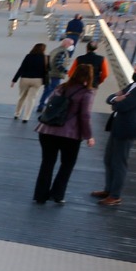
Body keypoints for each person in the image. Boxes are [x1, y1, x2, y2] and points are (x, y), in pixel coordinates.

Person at [94, 59, 136, 206]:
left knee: (119, 163)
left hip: (127, 129)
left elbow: (122, 107)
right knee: (108, 160)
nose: (135, 73)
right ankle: (108, 190)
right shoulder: (135, 85)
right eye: (135, 70)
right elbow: (110, 98)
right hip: (118, 126)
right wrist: (116, 99)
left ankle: (115, 196)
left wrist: (116, 101)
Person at [33, 63, 96, 205]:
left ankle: (40, 195)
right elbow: (85, 116)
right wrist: (89, 136)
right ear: (89, 76)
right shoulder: (87, 93)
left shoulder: (61, 87)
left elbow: (51, 104)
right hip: (70, 134)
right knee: (67, 164)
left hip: (47, 130)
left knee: (47, 163)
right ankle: (57, 194)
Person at [10, 43, 49, 123]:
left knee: (22, 97)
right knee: (31, 99)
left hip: (25, 79)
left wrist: (14, 80)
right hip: (37, 80)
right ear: (43, 50)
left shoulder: (28, 56)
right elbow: (48, 70)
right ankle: (26, 117)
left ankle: (17, 113)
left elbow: (21, 68)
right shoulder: (46, 58)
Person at [37, 38, 75, 113]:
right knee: (52, 91)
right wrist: (65, 71)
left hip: (49, 73)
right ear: (66, 44)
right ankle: (46, 106)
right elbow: (58, 63)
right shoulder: (62, 52)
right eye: (71, 44)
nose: (72, 46)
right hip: (55, 75)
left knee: (47, 90)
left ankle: (41, 105)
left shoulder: (55, 50)